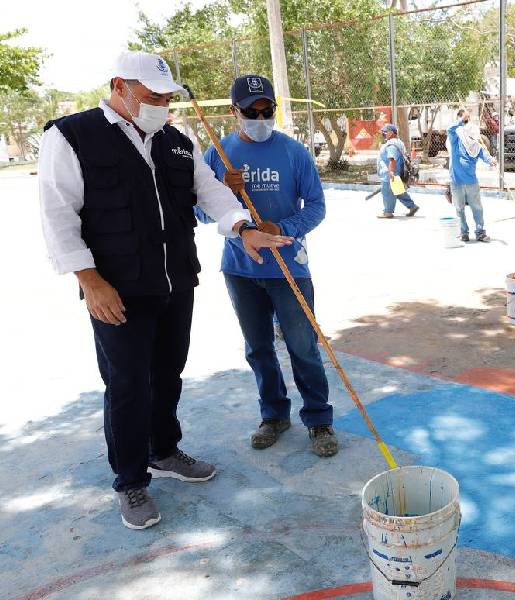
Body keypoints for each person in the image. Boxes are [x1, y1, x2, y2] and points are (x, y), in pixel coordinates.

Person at [38, 52, 292, 530]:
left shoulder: (176, 141)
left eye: (167, 98)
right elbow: (58, 216)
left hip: (176, 281)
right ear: (120, 86)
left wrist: (242, 227)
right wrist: (90, 282)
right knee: (128, 383)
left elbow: (211, 191)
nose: (161, 105)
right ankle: (130, 481)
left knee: (169, 371)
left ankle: (164, 450)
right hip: (117, 289)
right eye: (152, 97)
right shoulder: (71, 136)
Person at [199, 74, 338, 459]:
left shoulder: (294, 152)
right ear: (234, 112)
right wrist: (223, 189)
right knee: (258, 349)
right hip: (240, 271)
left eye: (267, 110)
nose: (259, 118)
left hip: (289, 268)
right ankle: (274, 415)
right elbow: (198, 212)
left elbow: (316, 207)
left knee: (302, 347)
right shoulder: (217, 155)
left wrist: (284, 227)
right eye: (250, 111)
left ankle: (318, 419)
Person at [447, 109, 496, 242]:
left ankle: (480, 232)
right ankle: (464, 232)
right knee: (459, 209)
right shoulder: (455, 141)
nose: (472, 136)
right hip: (456, 181)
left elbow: (485, 156)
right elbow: (450, 129)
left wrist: (492, 160)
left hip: (471, 182)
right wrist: (461, 120)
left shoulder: (476, 146)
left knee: (477, 208)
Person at [376, 123, 419, 219]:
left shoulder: (391, 144)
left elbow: (392, 159)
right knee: (398, 191)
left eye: (385, 132)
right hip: (395, 172)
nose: (384, 134)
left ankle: (388, 212)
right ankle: (412, 206)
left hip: (389, 174)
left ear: (391, 133)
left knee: (387, 192)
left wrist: (390, 172)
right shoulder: (398, 142)